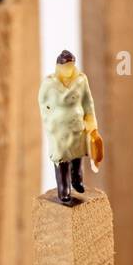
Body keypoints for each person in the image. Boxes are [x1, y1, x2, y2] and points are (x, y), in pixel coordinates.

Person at [38, 50, 103, 205]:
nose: (68, 69)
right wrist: (49, 122)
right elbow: (43, 103)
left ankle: (77, 180)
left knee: (77, 156)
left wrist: (92, 124)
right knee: (61, 159)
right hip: (59, 129)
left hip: (77, 127)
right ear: (58, 66)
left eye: (70, 65)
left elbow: (88, 103)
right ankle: (64, 188)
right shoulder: (49, 83)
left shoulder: (81, 80)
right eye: (65, 66)